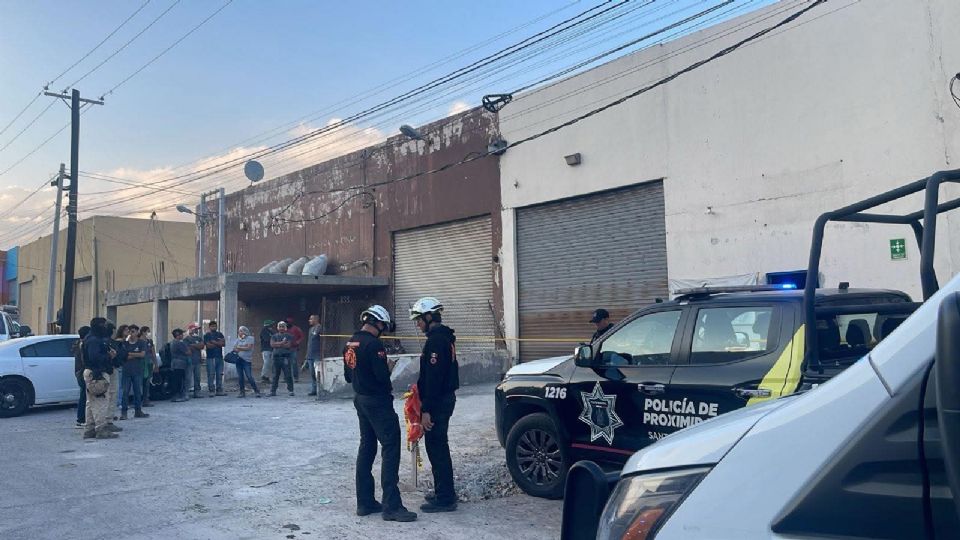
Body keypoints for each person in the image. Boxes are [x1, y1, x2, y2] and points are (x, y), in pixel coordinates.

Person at [344, 305, 417, 522]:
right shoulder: (374, 344)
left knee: (366, 447)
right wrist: (388, 367)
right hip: (377, 401)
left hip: (360, 399)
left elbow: (349, 376)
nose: (383, 329)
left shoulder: (350, 343)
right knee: (390, 447)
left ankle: (364, 502)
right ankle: (392, 506)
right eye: (383, 325)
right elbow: (382, 379)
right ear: (378, 323)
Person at [409, 297, 459, 512]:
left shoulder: (437, 341)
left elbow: (434, 379)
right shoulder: (441, 337)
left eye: (419, 319)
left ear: (429, 316)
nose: (417, 324)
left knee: (437, 447)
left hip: (438, 403)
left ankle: (446, 498)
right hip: (442, 400)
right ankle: (443, 492)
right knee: (437, 446)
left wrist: (426, 410)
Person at [82, 317, 119, 439]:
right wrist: (109, 355)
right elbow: (95, 358)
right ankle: (101, 430)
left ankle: (89, 429)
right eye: (103, 325)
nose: (105, 328)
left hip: (92, 373)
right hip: (97, 373)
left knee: (91, 403)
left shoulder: (90, 338)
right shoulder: (94, 340)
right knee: (101, 403)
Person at [120, 324, 149, 420]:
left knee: (137, 391)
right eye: (129, 331)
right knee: (125, 392)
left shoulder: (141, 343)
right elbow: (124, 356)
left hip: (137, 371)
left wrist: (130, 354)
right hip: (126, 371)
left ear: (137, 332)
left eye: (133, 331)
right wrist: (134, 355)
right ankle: (124, 413)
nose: (131, 334)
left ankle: (138, 411)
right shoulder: (125, 344)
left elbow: (142, 354)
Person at [233, 326, 261, 398]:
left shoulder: (250, 338)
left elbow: (249, 348)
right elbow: (234, 349)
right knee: (240, 377)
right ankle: (242, 392)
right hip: (238, 360)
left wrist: (239, 347)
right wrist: (243, 347)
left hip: (246, 360)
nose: (240, 332)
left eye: (242, 331)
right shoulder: (237, 340)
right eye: (239, 331)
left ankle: (256, 391)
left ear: (245, 331)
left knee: (249, 376)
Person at [269, 321, 295, 396]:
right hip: (276, 357)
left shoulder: (289, 336)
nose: (281, 328)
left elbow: (288, 346)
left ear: (285, 328)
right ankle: (273, 391)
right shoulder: (274, 336)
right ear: (277, 328)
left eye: (283, 326)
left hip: (285, 357)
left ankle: (291, 390)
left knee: (288, 374)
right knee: (275, 375)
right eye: (280, 326)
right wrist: (282, 343)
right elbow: (272, 345)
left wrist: (277, 344)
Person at [109, 324, 128, 423]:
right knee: (117, 388)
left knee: (119, 387)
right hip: (117, 366)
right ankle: (119, 403)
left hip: (121, 366)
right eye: (126, 330)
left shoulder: (123, 342)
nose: (128, 332)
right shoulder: (118, 342)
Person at [73, 326, 91, 428]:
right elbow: (84, 360)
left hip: (79, 372)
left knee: (83, 395)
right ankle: (81, 419)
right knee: (84, 396)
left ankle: (81, 419)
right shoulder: (83, 345)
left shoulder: (78, 344)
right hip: (82, 372)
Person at [203, 320, 227, 397]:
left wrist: (214, 342)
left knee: (220, 374)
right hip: (210, 357)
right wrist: (218, 343)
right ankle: (211, 390)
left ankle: (219, 390)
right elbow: (209, 346)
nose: (214, 327)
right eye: (212, 326)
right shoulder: (207, 335)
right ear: (209, 327)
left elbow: (223, 344)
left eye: (215, 326)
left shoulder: (220, 334)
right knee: (211, 374)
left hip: (219, 357)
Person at [184, 323, 205, 398]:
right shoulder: (186, 339)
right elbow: (188, 348)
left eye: (197, 329)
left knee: (197, 377)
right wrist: (197, 346)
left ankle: (197, 392)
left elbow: (202, 346)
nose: (196, 330)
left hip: (197, 360)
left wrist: (193, 345)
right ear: (190, 329)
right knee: (188, 378)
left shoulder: (198, 338)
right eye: (195, 329)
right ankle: (186, 393)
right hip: (190, 361)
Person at [169, 329, 191, 402]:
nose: (182, 335)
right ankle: (178, 396)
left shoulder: (172, 342)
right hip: (180, 364)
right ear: (178, 335)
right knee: (179, 380)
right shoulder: (179, 343)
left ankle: (176, 395)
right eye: (181, 334)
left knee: (176, 380)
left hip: (175, 364)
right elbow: (188, 352)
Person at [139, 326, 157, 407]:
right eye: (148, 331)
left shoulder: (149, 341)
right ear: (143, 332)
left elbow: (153, 352)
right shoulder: (138, 341)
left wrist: (155, 364)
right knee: (139, 382)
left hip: (149, 363)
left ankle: (146, 400)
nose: (149, 333)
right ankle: (138, 400)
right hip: (141, 363)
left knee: (147, 382)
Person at [304, 314, 322, 396]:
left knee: (317, 373)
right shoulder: (310, 329)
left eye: (311, 319)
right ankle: (314, 390)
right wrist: (307, 356)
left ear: (316, 319)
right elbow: (309, 343)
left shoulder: (319, 327)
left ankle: (320, 389)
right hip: (310, 354)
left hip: (317, 354)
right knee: (312, 374)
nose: (309, 320)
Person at [286, 317, 304, 382]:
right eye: (287, 322)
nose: (287, 323)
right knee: (286, 363)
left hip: (293, 348)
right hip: (286, 348)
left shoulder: (296, 328)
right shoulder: (284, 329)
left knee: (294, 363)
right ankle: (287, 377)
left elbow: (301, 336)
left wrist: (298, 342)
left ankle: (296, 378)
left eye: (289, 322)